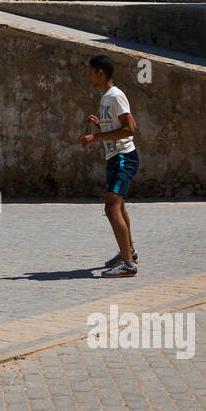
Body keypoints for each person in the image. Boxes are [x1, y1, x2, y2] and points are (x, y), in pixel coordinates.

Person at [77, 54, 139, 277]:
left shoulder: (115, 96)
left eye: (91, 71)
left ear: (100, 73)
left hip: (123, 157)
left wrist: (95, 138)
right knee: (119, 206)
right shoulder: (106, 97)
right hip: (114, 158)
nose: (88, 75)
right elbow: (117, 126)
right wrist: (100, 127)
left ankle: (128, 264)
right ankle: (128, 251)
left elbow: (130, 128)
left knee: (111, 208)